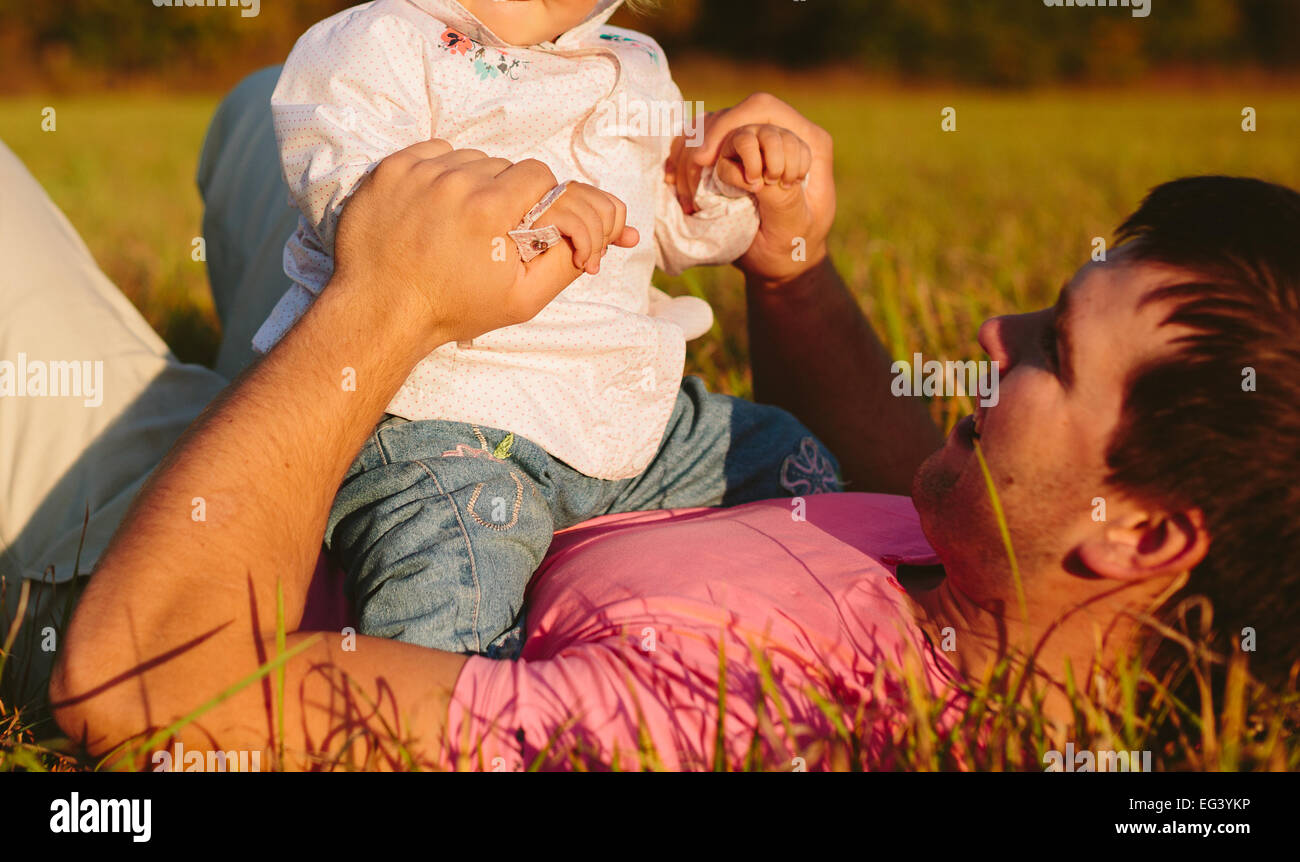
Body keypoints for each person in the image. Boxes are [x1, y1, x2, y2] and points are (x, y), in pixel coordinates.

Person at [34, 70, 1300, 766]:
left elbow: (156, 696)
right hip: (428, 426)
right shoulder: (992, 573)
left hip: (193, 570)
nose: (990, 336)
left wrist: (386, 305)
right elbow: (880, 471)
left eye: (1050, 353)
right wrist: (789, 267)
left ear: (1141, 538)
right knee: (277, 100)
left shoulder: (739, 718)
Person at [252, 0, 845, 658]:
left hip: (625, 419)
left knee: (795, 461)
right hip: (433, 419)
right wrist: (516, 209)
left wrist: (732, 189)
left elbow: (677, 233)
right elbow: (347, 197)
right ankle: (427, 729)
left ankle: (831, 640)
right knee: (456, 571)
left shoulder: (632, 66)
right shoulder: (376, 48)